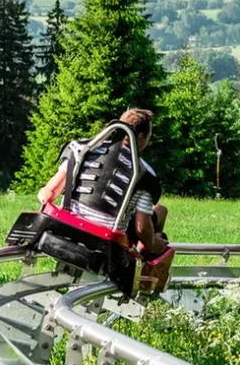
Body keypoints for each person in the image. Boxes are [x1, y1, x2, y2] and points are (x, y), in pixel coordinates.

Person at [37, 108, 169, 261]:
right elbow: (142, 228)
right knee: (160, 212)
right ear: (140, 137)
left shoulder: (82, 148)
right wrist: (153, 243)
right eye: (148, 137)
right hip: (107, 240)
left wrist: (42, 195)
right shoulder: (145, 174)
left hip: (68, 227)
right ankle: (143, 260)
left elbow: (49, 193)